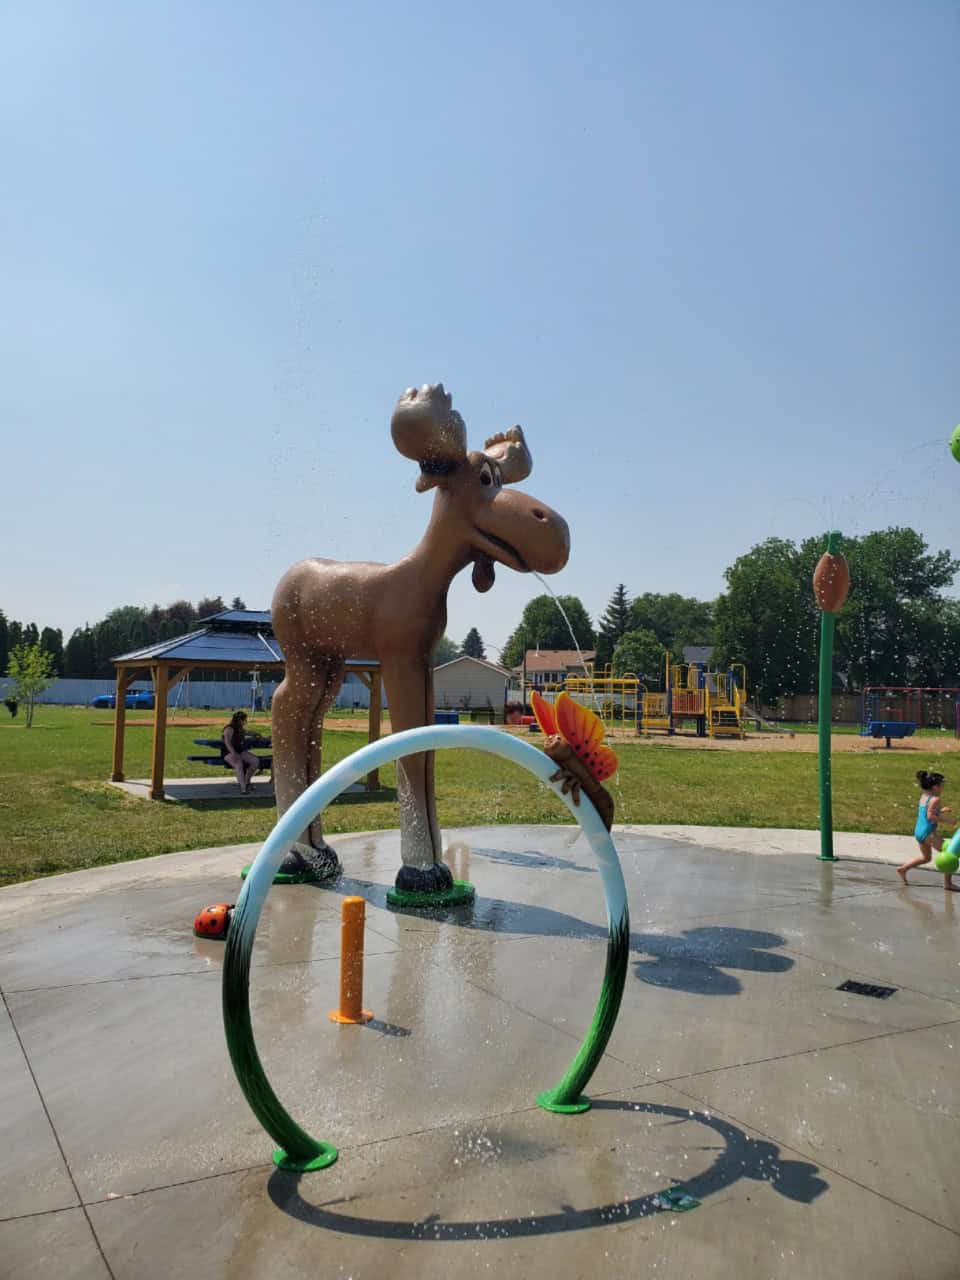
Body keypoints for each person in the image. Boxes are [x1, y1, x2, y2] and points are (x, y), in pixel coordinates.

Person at [897, 770, 957, 890]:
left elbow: (927, 812)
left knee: (926, 858)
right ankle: (948, 884)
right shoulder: (935, 799)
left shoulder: (924, 797)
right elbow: (930, 817)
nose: (943, 787)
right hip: (928, 833)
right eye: (942, 785)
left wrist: (941, 811)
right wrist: (948, 821)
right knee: (949, 853)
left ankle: (903, 869)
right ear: (935, 786)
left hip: (919, 831)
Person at [221, 710, 260, 794]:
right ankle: (243, 788)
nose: (245, 722)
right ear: (239, 720)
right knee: (238, 763)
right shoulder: (229, 728)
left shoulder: (239, 729)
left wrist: (256, 734)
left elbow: (246, 732)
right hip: (228, 752)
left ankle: (246, 781)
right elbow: (227, 742)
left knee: (255, 761)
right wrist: (233, 753)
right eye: (244, 720)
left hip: (240, 751)